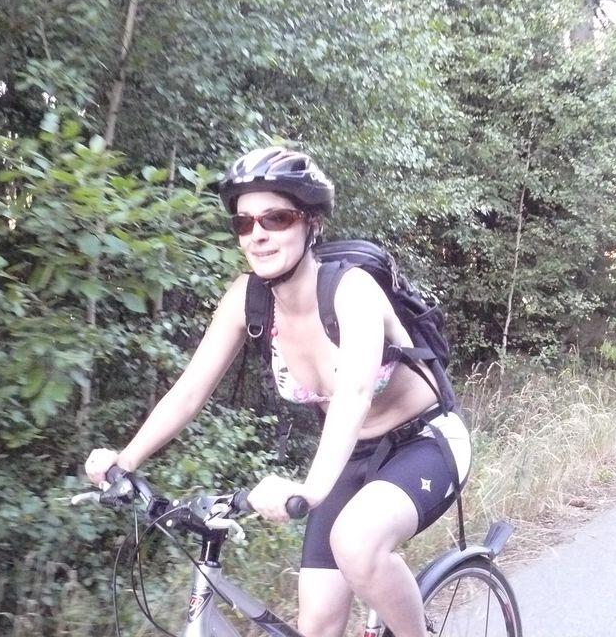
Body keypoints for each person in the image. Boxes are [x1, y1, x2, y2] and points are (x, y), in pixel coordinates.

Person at [84, 147, 471, 637]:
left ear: (311, 223)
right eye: (244, 223)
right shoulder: (246, 299)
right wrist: (125, 461)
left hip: (424, 442)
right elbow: (189, 391)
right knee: (317, 625)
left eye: (276, 218)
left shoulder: (351, 289)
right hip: (352, 456)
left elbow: (354, 392)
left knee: (356, 543)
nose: (258, 234)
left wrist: (310, 489)